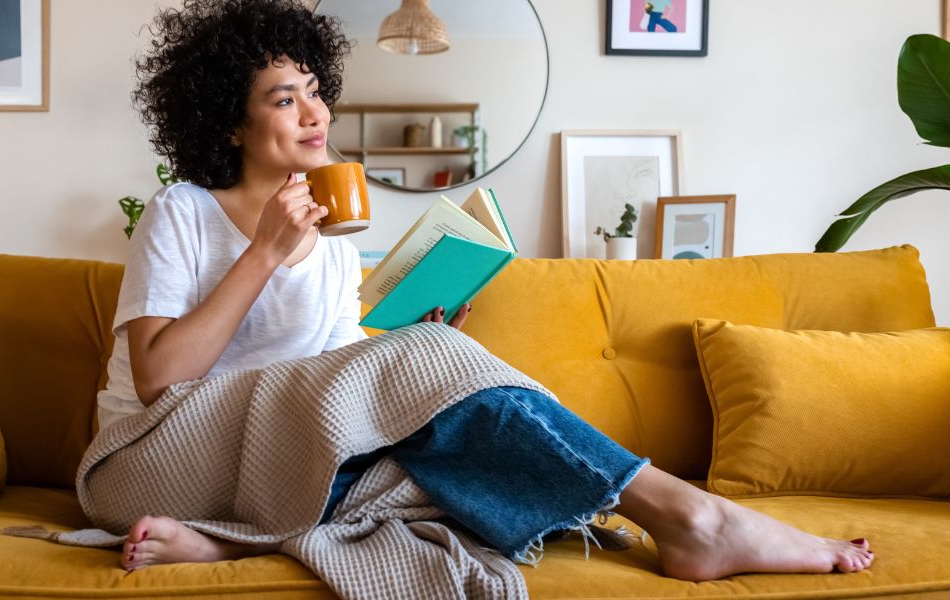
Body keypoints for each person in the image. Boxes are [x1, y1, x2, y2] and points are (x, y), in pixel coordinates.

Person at [96, 0, 874, 582]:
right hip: (154, 458)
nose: (314, 112)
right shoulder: (184, 211)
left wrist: (424, 343)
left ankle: (228, 537)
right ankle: (691, 514)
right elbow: (162, 374)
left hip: (274, 460)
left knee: (453, 451)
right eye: (282, 98)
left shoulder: (333, 245)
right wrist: (264, 253)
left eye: (313, 89)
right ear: (230, 124)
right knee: (438, 420)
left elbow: (332, 392)